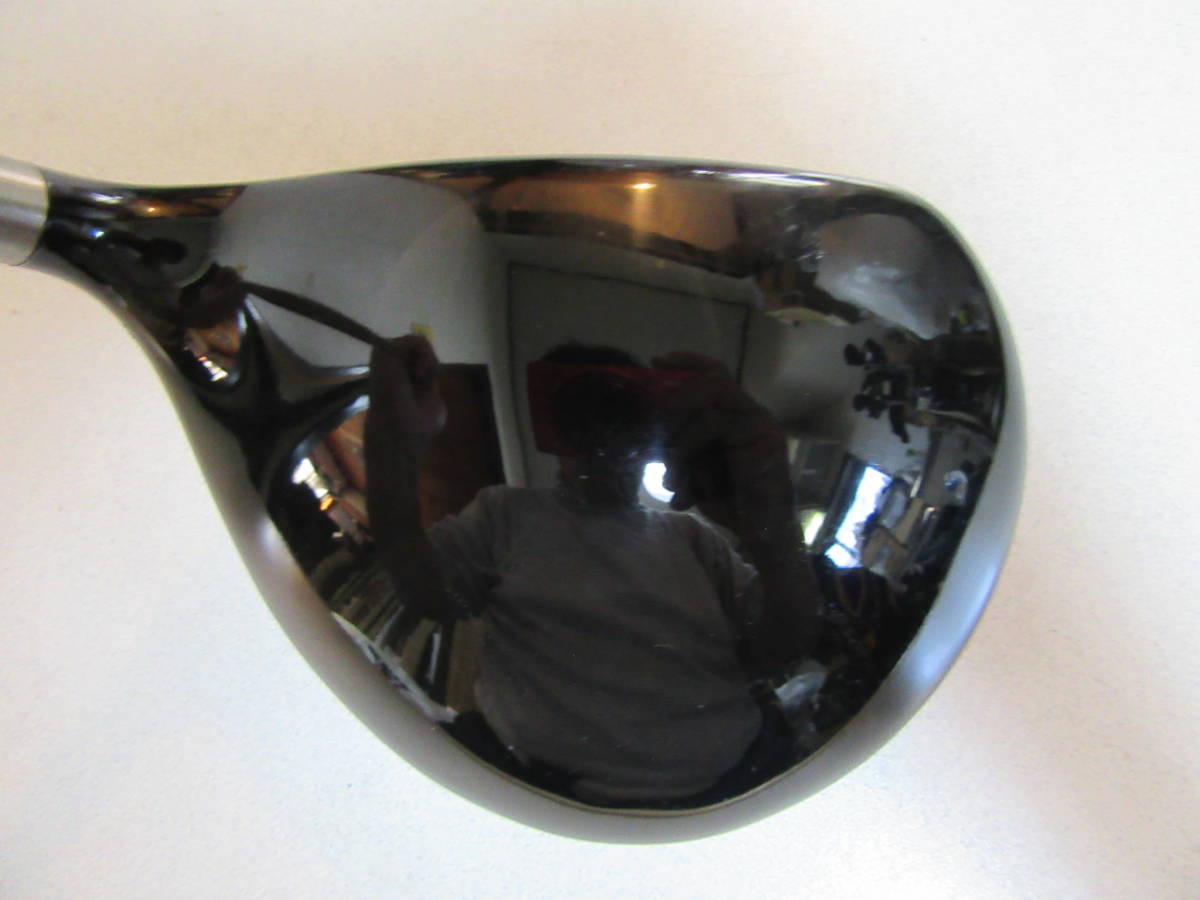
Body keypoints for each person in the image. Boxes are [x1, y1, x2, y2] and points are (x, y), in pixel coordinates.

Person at [365, 336, 820, 805]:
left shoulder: (693, 536)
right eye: (583, 416)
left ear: (648, 426)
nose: (605, 439)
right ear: (556, 428)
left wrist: (772, 526)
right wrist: (395, 436)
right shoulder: (506, 515)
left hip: (738, 782)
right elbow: (422, 588)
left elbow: (781, 649)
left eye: (622, 414)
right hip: (550, 795)